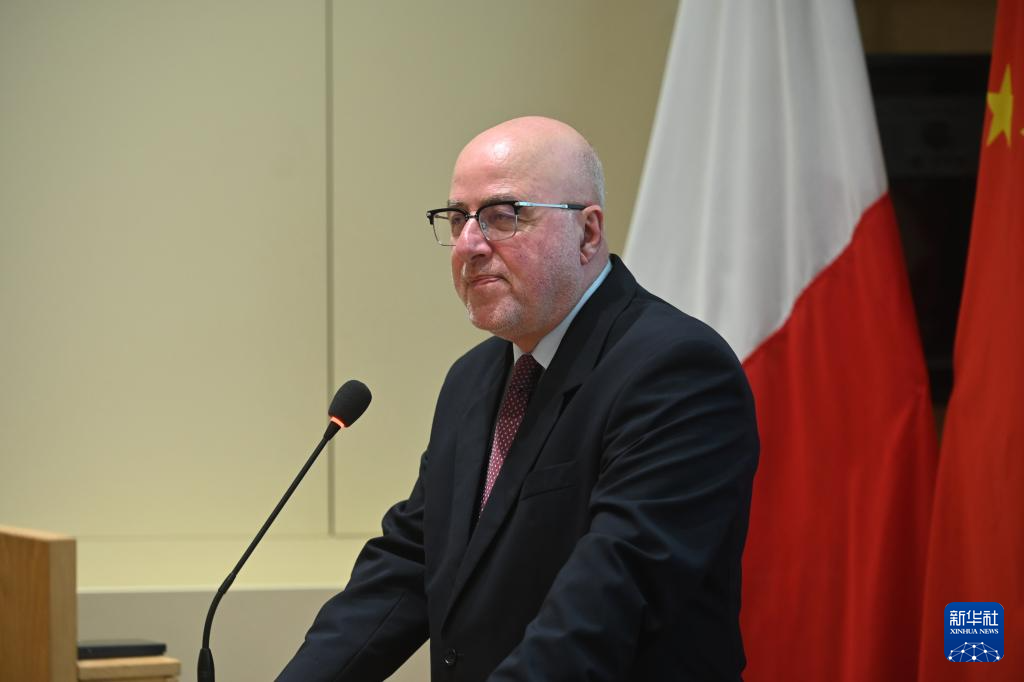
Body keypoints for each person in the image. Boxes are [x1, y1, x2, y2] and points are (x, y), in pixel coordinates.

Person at [278, 116, 759, 681]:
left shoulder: (676, 371)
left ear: (587, 233)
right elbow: (412, 563)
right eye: (457, 218)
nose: (469, 244)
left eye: (503, 216)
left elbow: (607, 601)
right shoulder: (473, 378)